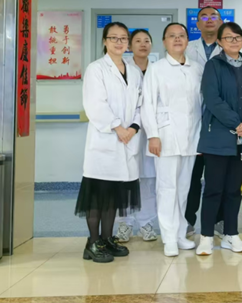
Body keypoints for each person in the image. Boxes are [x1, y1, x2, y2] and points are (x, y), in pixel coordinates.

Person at [196, 22, 242, 256]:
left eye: (237, 37)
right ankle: (206, 236)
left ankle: (230, 235)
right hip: (218, 137)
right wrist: (237, 123)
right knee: (214, 189)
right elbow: (212, 99)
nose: (234, 41)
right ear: (219, 42)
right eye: (228, 38)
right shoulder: (213, 65)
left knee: (234, 191)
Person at [76, 22, 142, 263]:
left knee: (113, 195)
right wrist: (117, 127)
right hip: (104, 140)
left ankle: (106, 238)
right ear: (105, 41)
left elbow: (140, 104)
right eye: (113, 38)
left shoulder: (134, 71)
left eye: (123, 38)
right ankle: (93, 242)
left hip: (127, 140)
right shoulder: (96, 69)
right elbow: (95, 104)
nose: (118, 42)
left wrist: (133, 127)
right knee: (98, 195)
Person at [141, 23, 204, 257]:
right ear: (164, 41)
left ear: (187, 40)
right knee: (167, 187)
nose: (177, 39)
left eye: (181, 36)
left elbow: (202, 103)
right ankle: (168, 237)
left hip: (191, 136)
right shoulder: (156, 69)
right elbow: (147, 104)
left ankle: (179, 234)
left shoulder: (197, 68)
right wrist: (153, 135)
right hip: (165, 136)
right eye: (172, 36)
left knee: (184, 188)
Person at [185, 6, 224, 236]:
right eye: (204, 17)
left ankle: (218, 221)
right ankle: (187, 221)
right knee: (190, 176)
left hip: (219, 124)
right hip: (191, 122)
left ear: (221, 22)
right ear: (197, 24)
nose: (209, 20)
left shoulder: (230, 48)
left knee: (217, 177)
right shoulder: (187, 49)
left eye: (214, 16)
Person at [116, 29, 158, 243]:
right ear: (130, 45)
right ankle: (124, 223)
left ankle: (146, 223)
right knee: (125, 179)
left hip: (151, 132)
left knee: (149, 180)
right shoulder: (122, 69)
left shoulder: (158, 69)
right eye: (138, 41)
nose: (143, 44)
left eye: (147, 41)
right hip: (128, 131)